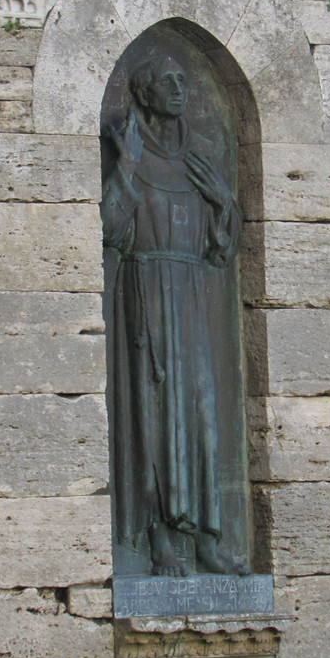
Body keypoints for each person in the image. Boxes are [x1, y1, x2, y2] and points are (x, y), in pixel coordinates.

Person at [102, 55, 246, 577]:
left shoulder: (201, 159)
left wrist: (222, 201)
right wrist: (126, 168)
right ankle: (160, 542)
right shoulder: (130, 147)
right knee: (153, 415)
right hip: (146, 298)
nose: (180, 88)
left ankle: (208, 538)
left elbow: (220, 251)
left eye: (184, 80)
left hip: (190, 298)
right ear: (143, 93)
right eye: (168, 81)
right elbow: (111, 230)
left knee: (204, 417)